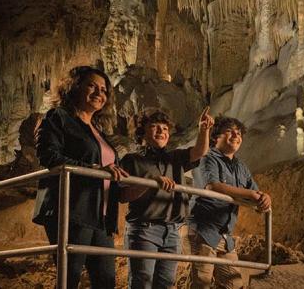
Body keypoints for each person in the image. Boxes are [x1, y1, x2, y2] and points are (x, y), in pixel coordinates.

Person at [32, 65, 129, 288]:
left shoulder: (97, 130)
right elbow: (49, 156)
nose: (99, 93)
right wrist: (94, 169)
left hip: (101, 215)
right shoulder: (58, 118)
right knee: (70, 277)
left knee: (106, 280)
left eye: (104, 90)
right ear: (74, 87)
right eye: (92, 86)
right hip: (72, 209)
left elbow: (108, 167)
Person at [120, 107, 214, 289]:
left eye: (164, 128)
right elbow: (123, 195)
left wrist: (204, 129)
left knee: (165, 284)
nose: (161, 131)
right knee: (142, 283)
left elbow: (199, 152)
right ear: (142, 131)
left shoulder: (175, 158)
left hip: (172, 231)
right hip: (144, 230)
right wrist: (151, 182)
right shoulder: (132, 160)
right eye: (154, 126)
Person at [188, 116, 272, 289]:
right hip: (203, 231)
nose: (236, 135)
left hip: (225, 235)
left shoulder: (241, 167)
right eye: (229, 131)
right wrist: (251, 194)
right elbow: (212, 186)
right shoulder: (207, 157)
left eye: (239, 132)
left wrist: (264, 198)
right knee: (201, 283)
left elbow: (255, 194)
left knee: (233, 283)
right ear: (215, 137)